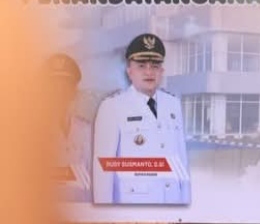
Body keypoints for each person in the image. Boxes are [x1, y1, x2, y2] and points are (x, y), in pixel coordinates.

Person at [92, 33, 190, 204]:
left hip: (172, 204)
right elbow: (103, 170)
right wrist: (105, 213)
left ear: (162, 71)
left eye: (155, 66)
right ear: (129, 71)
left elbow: (182, 162)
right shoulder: (112, 107)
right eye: (141, 66)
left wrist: (185, 205)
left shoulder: (173, 104)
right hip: (134, 205)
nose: (149, 72)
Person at [46, 53, 92, 202]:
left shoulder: (88, 131)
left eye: (65, 87)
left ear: (74, 92)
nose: (60, 94)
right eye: (54, 87)